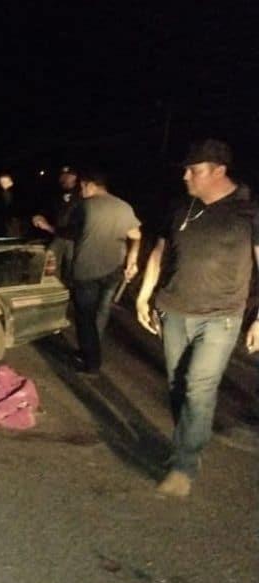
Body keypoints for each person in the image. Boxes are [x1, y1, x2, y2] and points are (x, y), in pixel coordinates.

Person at [134, 139, 259, 498]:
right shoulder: (179, 209)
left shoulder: (248, 212)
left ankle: (184, 465)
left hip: (220, 318)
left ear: (219, 171)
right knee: (177, 386)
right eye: (186, 169)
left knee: (198, 388)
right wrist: (144, 296)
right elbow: (158, 253)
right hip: (174, 311)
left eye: (195, 169)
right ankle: (185, 444)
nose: (186, 175)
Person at [37, 171, 140, 373]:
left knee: (85, 317)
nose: (81, 191)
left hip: (88, 271)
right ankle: (91, 351)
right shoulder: (124, 206)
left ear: (91, 186)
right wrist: (133, 260)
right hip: (114, 271)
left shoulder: (84, 206)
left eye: (82, 187)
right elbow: (136, 235)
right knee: (101, 311)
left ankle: (90, 361)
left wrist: (48, 227)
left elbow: (71, 233)